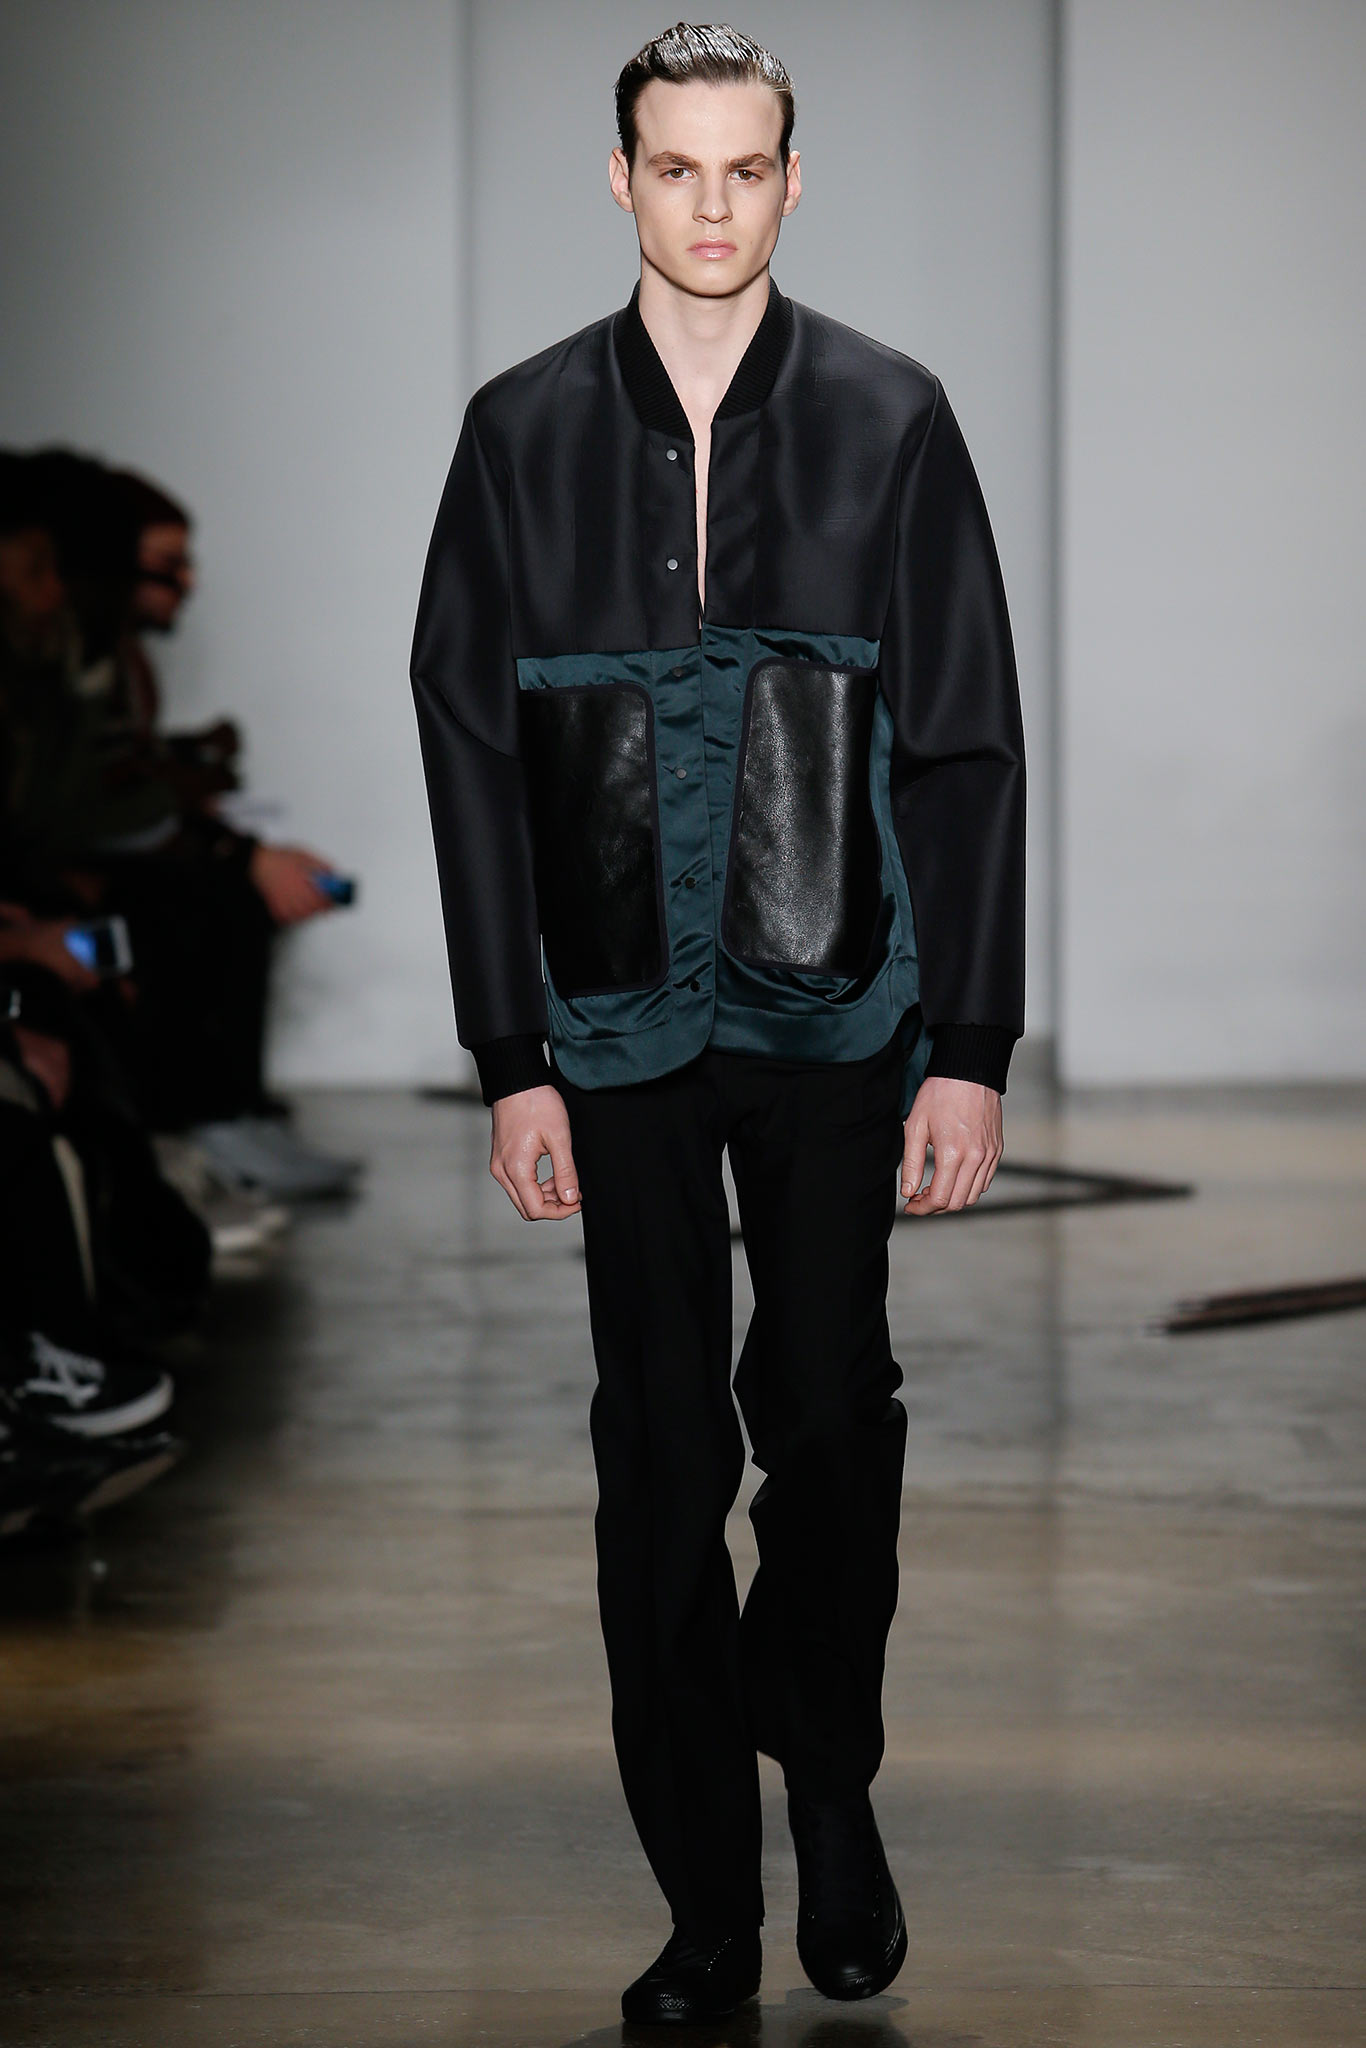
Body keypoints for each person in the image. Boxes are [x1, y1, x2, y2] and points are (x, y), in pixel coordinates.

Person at [410, 20, 1025, 2027]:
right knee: (662, 1459)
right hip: (609, 1023)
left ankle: (822, 1767)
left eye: (741, 168)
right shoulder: (519, 431)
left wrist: (969, 1042)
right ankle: (707, 1905)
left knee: (828, 1419)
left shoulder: (884, 413)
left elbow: (961, 737)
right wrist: (506, 1055)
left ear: (788, 177)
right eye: (670, 166)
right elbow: (469, 744)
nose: (706, 203)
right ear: (620, 177)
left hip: (832, 1002)